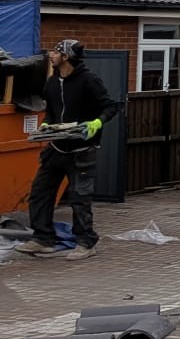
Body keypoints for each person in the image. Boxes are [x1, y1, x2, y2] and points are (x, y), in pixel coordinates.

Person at [19, 40, 120, 256]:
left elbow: (111, 106)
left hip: (81, 150)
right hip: (56, 148)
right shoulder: (52, 82)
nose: (51, 54)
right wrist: (47, 124)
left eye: (56, 51)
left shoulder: (89, 81)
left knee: (79, 198)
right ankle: (43, 239)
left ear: (66, 56)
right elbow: (52, 111)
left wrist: (96, 123)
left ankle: (86, 243)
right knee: (40, 193)